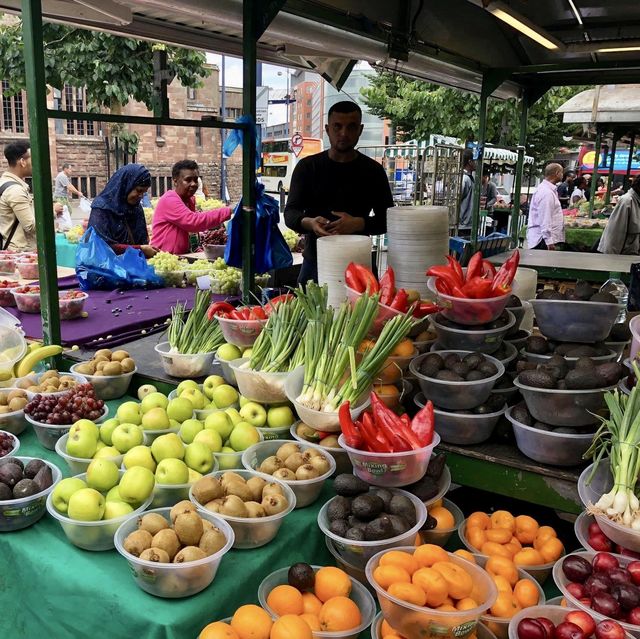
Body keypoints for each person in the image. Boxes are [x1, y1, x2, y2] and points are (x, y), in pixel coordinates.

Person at [284, 100, 393, 284]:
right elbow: (290, 213)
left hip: (360, 265)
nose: (344, 133)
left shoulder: (373, 171)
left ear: (360, 129)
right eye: (337, 127)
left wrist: (358, 223)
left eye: (351, 127)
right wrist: (310, 223)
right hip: (316, 264)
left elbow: (389, 219)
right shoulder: (307, 167)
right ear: (327, 129)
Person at [152, 160, 232, 255]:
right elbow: (194, 222)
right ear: (175, 182)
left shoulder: (188, 201)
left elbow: (190, 232)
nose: (194, 184)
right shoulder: (169, 200)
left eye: (195, 180)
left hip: (180, 257)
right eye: (188, 180)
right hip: (163, 259)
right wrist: (228, 211)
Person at [88, 163, 158, 257]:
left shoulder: (136, 208)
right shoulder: (102, 209)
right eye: (139, 190)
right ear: (126, 185)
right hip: (108, 268)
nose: (141, 196)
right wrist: (140, 249)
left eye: (144, 192)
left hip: (134, 266)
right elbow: (99, 246)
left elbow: (143, 240)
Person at [0, 141, 36, 251]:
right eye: (33, 158)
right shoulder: (15, 190)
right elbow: (30, 226)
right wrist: (53, 211)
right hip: (20, 253)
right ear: (22, 162)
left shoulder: (3, 181)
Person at [526, 162, 565, 251]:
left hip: (543, 239)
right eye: (561, 172)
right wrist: (549, 241)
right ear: (557, 173)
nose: (562, 175)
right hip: (542, 240)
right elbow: (545, 218)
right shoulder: (546, 193)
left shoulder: (548, 190)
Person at [597, 176, 640, 255]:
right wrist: (612, 260)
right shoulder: (627, 201)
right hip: (621, 257)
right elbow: (615, 233)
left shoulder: (636, 201)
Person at [458, 150, 476, 233]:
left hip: (467, 223)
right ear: (470, 162)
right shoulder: (465, 179)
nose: (476, 163)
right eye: (474, 160)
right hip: (463, 224)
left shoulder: (468, 178)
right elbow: (458, 198)